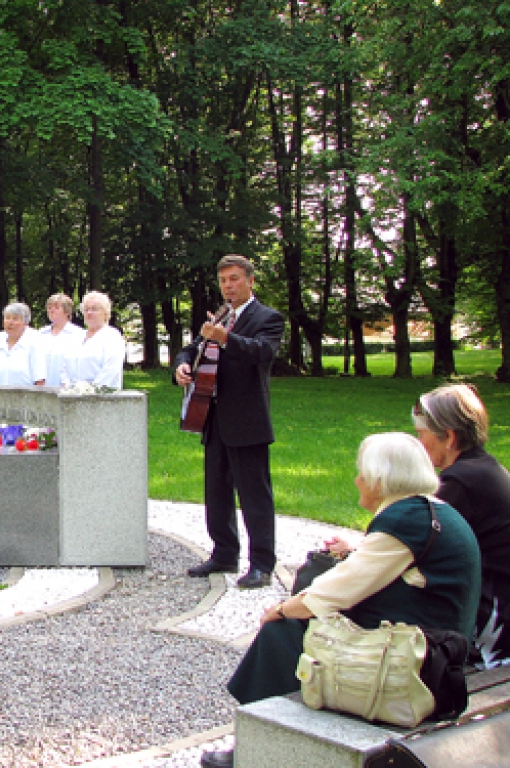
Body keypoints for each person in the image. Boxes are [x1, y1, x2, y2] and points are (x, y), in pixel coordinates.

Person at [199, 432, 482, 768]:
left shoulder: (406, 520)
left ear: (380, 480)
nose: (356, 480)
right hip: (438, 649)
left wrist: (280, 609)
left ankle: (256, 750)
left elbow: (340, 588)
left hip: (418, 664)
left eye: (362, 473)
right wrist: (352, 551)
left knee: (282, 633)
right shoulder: (431, 511)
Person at [174, 254, 284, 589]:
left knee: (254, 494)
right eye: (223, 281)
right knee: (217, 491)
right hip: (213, 417)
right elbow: (190, 349)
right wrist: (181, 366)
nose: (228, 286)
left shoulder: (268, 317)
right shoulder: (219, 316)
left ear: (250, 281)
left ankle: (262, 564)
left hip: (248, 419)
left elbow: (262, 352)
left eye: (234, 279)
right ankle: (224, 553)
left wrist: (224, 338)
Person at [411, 384, 510, 669]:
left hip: (494, 628)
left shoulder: (460, 483)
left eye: (422, 435)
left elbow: (412, 548)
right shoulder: (485, 469)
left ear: (450, 437)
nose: (419, 444)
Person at [63, 291, 126, 389]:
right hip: (72, 397)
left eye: (94, 309)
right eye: (86, 309)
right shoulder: (76, 337)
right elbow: (65, 367)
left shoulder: (112, 336)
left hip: (102, 397)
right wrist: (68, 388)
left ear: (105, 312)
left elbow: (110, 371)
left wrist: (91, 390)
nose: (89, 313)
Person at [0, 303, 46, 386]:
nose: (10, 322)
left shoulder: (33, 344)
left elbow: (40, 381)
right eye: (7, 318)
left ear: (25, 323)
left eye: (15, 319)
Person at [39, 292, 84, 387]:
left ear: (67, 311)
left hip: (67, 387)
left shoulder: (78, 334)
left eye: (56, 308)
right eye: (49, 308)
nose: (52, 311)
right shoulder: (41, 334)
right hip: (43, 386)